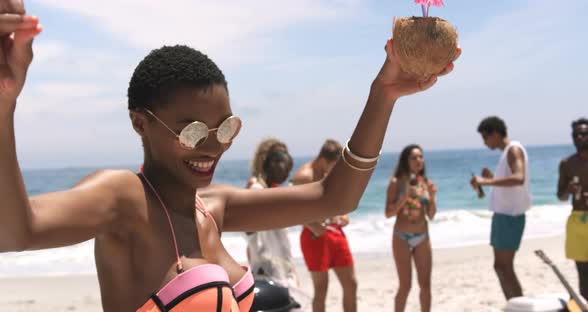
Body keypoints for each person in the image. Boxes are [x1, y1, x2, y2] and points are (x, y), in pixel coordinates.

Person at [0, 2, 459, 311]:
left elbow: (334, 197)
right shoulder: (125, 200)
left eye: (226, 127)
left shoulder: (212, 207)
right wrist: (4, 102)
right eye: (194, 130)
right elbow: (15, 230)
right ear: (140, 123)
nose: (213, 146)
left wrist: (383, 94)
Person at [471, 116, 531, 300]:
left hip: (510, 217)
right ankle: (515, 305)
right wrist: (492, 177)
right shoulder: (507, 153)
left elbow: (519, 177)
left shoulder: (513, 150)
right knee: (501, 267)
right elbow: (511, 180)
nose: (484, 143)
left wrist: (486, 181)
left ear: (495, 133)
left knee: (504, 267)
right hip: (505, 216)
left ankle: (519, 306)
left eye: (485, 138)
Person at [292, 140, 357, 312]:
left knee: (351, 284)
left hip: (334, 232)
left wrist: (342, 215)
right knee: (321, 290)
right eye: (335, 164)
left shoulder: (328, 171)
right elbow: (292, 210)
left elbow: (332, 201)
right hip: (314, 236)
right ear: (323, 160)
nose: (336, 169)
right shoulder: (304, 177)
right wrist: (313, 226)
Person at [385, 144, 437, 312]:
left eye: (421, 157)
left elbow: (431, 215)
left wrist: (433, 197)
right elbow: (388, 213)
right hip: (401, 236)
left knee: (426, 286)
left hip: (422, 236)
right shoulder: (396, 183)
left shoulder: (426, 183)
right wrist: (404, 197)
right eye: (414, 157)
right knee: (405, 286)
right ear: (405, 161)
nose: (418, 160)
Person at [245, 139, 299, 289]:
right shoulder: (256, 189)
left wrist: (291, 272)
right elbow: (251, 234)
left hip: (281, 273)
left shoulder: (270, 190)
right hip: (268, 274)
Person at [557, 118, 588, 302]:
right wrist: (568, 191)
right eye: (576, 134)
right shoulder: (567, 164)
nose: (579, 137)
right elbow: (560, 196)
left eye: (584, 134)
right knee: (583, 272)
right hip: (578, 219)